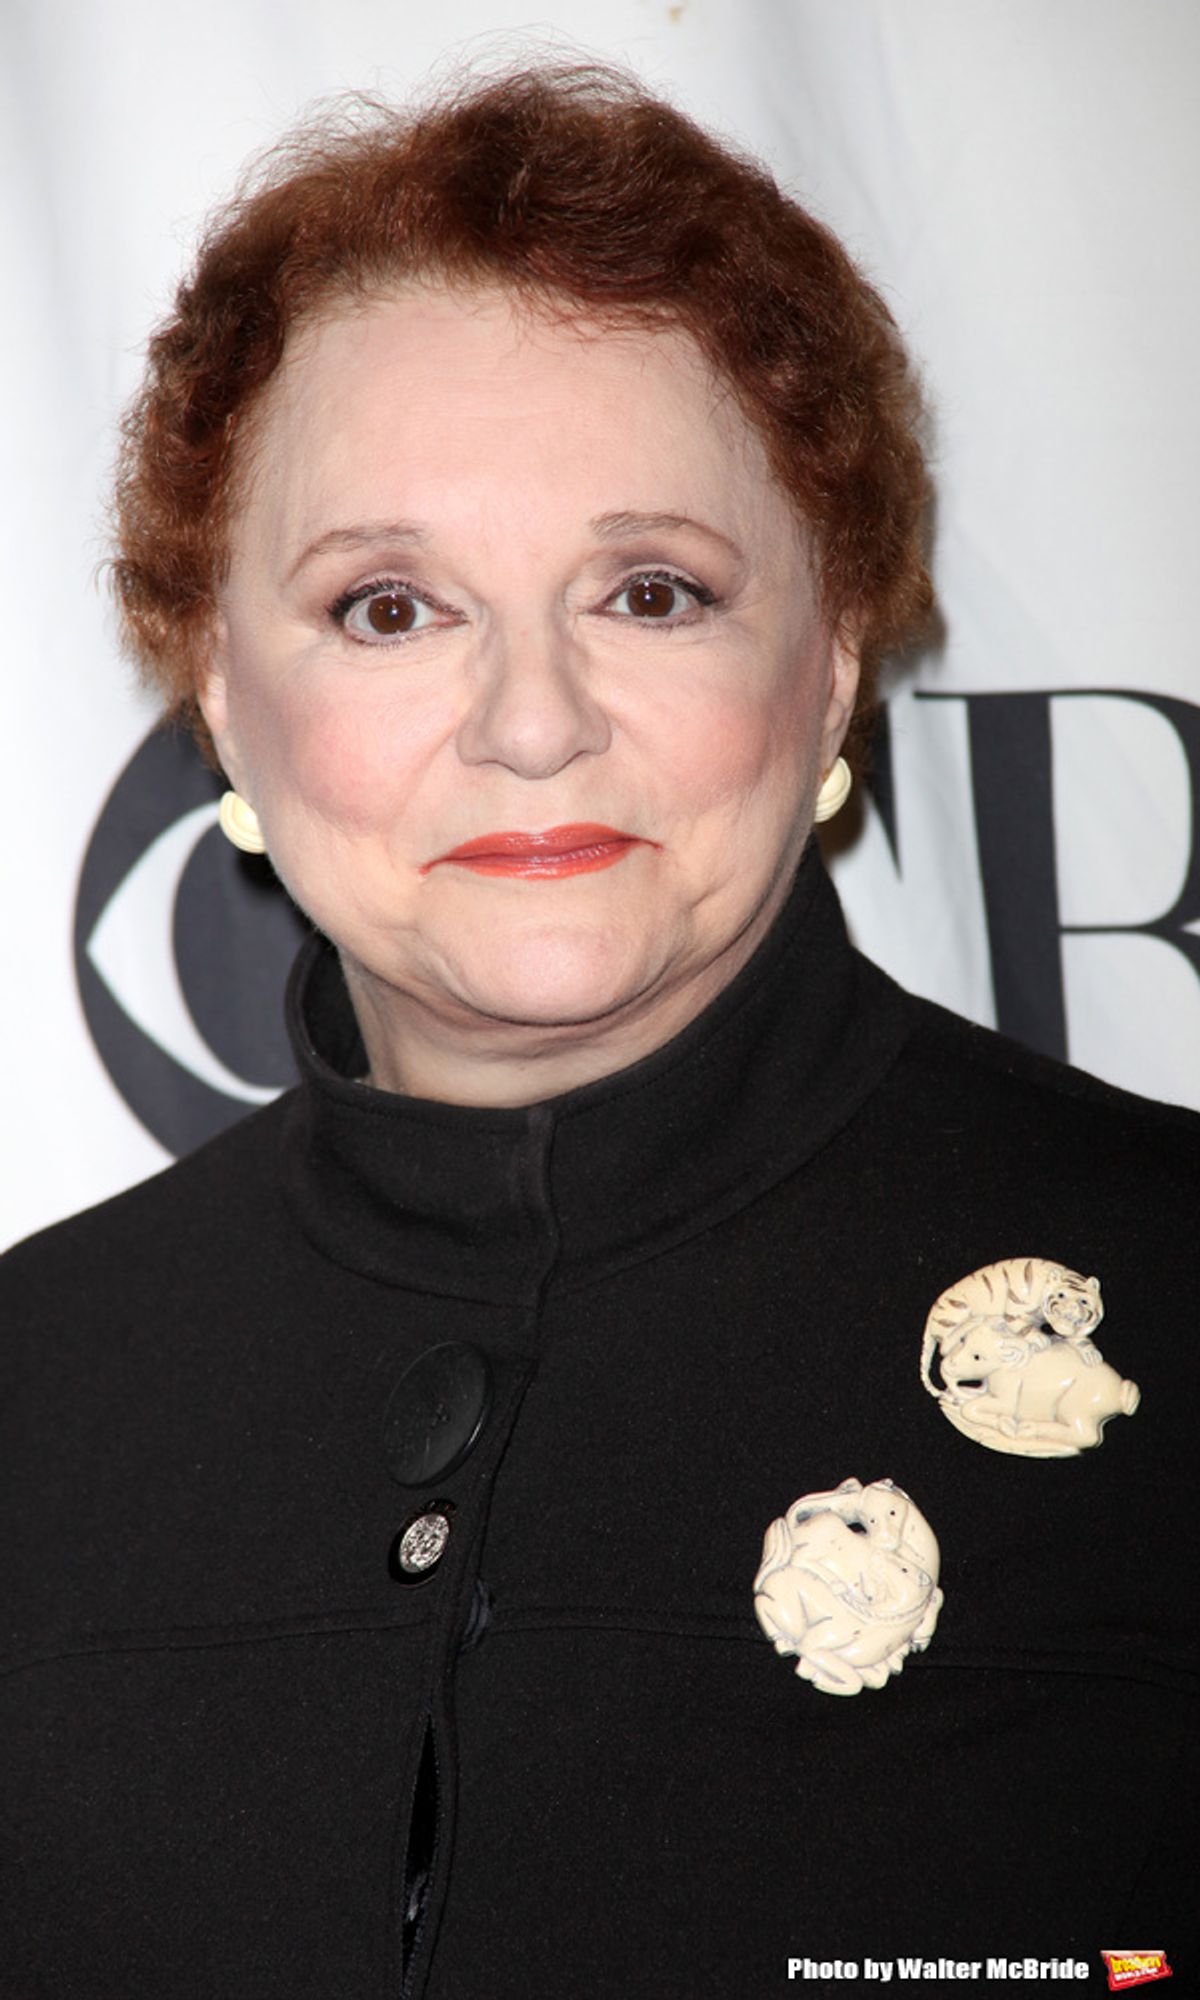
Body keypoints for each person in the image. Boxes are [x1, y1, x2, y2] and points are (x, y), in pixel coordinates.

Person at [1, 65, 1195, 1999]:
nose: (534, 722)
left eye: (651, 591)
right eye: (390, 608)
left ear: (833, 655)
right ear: (217, 690)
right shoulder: (32, 1390)